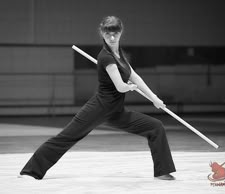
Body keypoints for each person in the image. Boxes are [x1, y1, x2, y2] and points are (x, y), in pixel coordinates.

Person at [18, 16, 176, 180]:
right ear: (102, 33)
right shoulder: (106, 57)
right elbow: (120, 87)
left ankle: (163, 171)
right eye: (108, 34)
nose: (112, 38)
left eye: (115, 33)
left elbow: (135, 76)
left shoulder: (119, 54)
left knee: (155, 127)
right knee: (66, 138)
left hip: (116, 111)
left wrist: (154, 98)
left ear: (121, 32)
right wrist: (129, 87)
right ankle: (30, 171)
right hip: (99, 108)